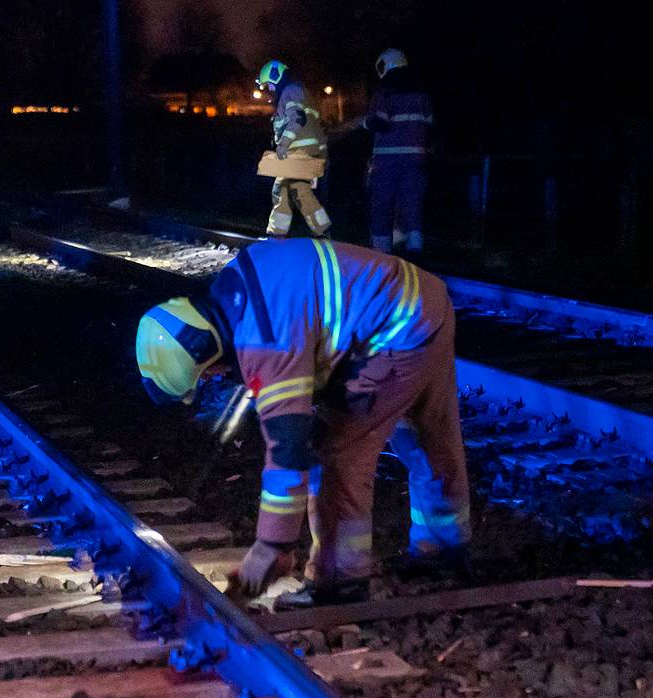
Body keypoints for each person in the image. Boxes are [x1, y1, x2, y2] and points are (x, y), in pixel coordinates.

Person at [135, 238, 470, 608]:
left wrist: (272, 545)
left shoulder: (264, 341)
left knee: (337, 453)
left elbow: (289, 448)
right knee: (429, 434)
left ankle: (339, 581)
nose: (216, 378)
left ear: (205, 352)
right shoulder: (238, 282)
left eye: (207, 375)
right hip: (425, 299)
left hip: (396, 331)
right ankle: (445, 549)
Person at [364, 49, 434, 255]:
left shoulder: (383, 93)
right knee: (412, 203)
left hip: (387, 160)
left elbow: (381, 123)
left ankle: (380, 252)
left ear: (386, 65)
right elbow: (430, 126)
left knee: (382, 204)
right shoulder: (421, 94)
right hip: (416, 158)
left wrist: (363, 122)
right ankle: (414, 249)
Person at [257, 60, 331, 239]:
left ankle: (279, 235)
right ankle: (319, 232)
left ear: (275, 78)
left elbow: (298, 118)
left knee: (286, 189)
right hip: (310, 150)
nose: (269, 90)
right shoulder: (299, 91)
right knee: (292, 190)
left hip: (299, 151)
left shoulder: (290, 91)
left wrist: (283, 143)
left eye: (269, 85)